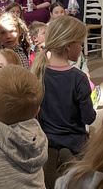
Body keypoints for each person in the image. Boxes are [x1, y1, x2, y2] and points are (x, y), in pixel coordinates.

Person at [31, 16, 96, 156]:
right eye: (80, 44)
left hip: (46, 141)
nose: (82, 48)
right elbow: (88, 118)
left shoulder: (39, 72)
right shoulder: (79, 78)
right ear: (68, 46)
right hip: (75, 143)